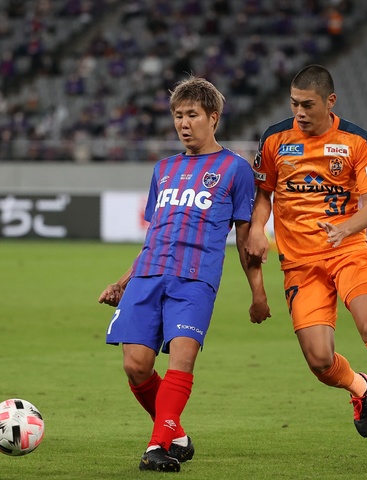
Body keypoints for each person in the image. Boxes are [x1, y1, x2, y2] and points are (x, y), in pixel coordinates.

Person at [246, 65, 367, 457]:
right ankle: (359, 387)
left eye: (308, 104)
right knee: (319, 360)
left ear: (330, 101)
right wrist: (256, 228)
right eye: (294, 103)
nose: (299, 112)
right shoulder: (275, 139)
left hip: (348, 251)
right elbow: (264, 192)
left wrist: (344, 228)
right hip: (300, 263)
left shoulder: (357, 141)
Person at [98, 76, 270, 473]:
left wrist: (258, 293)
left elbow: (246, 241)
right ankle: (175, 435)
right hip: (148, 276)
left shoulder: (236, 170)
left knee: (182, 359)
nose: (183, 123)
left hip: (194, 279)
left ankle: (157, 446)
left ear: (213, 117)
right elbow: (155, 235)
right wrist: (122, 282)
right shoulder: (163, 169)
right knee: (135, 365)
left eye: (192, 114)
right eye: (178, 115)